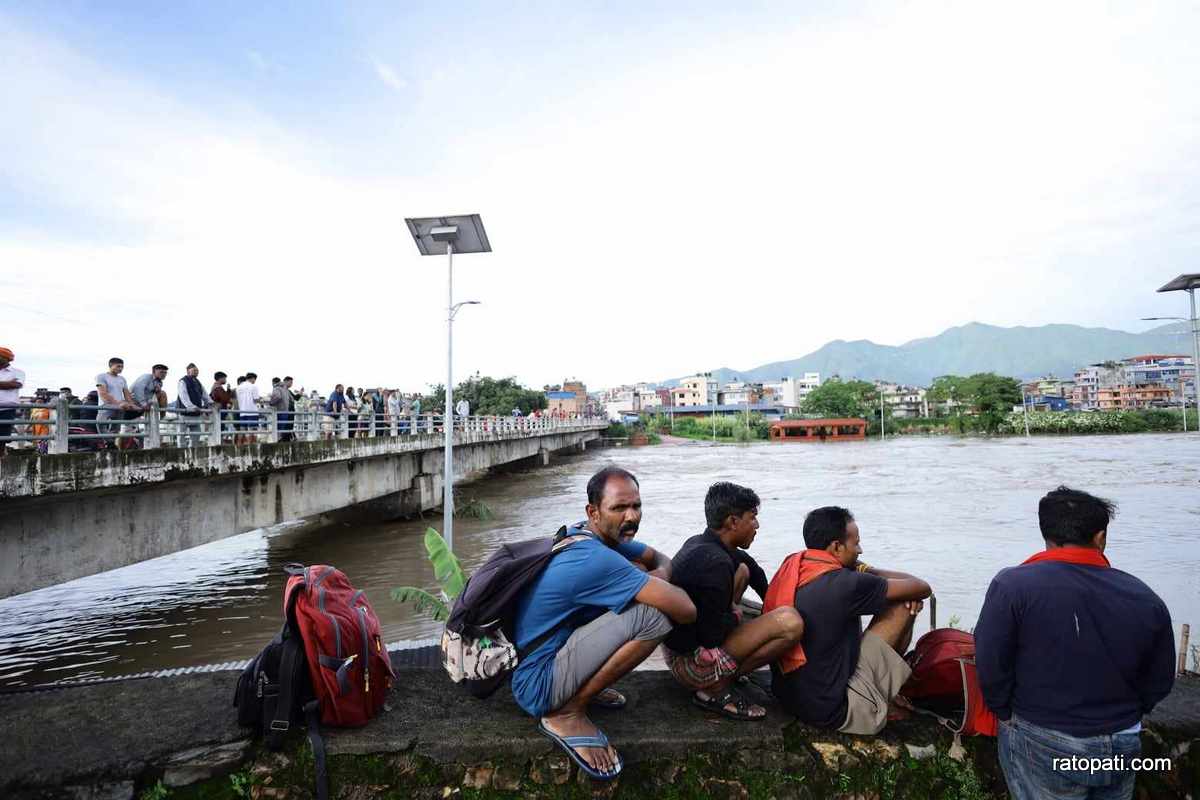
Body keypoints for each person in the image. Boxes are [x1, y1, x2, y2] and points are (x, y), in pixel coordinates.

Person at [975, 487, 1175, 800]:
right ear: (1100, 538)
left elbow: (990, 664)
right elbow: (1160, 680)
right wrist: (1123, 716)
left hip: (1043, 739)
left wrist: (1004, 712)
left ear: (1046, 534)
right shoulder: (1144, 597)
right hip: (1122, 742)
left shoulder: (1013, 585)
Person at [511, 466, 694, 780]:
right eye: (619, 508)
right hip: (537, 684)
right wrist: (653, 582)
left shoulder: (584, 533)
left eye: (636, 506)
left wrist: (650, 577)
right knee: (654, 616)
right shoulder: (597, 558)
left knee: (637, 581)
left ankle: (581, 688)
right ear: (593, 512)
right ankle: (567, 712)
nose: (632, 516)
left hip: (540, 660)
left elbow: (660, 558)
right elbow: (686, 610)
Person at [767, 505, 931, 736]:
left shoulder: (794, 566)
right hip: (835, 711)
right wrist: (866, 570)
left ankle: (884, 687)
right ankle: (878, 697)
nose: (860, 550)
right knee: (902, 604)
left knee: (896, 597)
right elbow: (921, 587)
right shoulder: (846, 583)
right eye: (856, 544)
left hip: (791, 698)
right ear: (836, 546)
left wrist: (858, 569)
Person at [663, 482, 805, 720]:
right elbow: (712, 636)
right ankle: (715, 689)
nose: (757, 525)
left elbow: (752, 570)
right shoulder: (715, 563)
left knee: (743, 572)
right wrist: (739, 616)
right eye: (753, 518)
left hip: (681, 647)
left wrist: (769, 605)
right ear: (732, 522)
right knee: (791, 623)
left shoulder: (702, 542)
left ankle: (720, 676)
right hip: (692, 664)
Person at [95, 357, 137, 447]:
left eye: (122, 367)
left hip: (120, 407)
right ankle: (108, 442)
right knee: (100, 423)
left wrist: (132, 404)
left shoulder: (122, 379)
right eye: (118, 366)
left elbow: (127, 394)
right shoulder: (101, 376)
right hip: (106, 405)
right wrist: (118, 403)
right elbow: (103, 393)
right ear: (111, 365)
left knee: (116, 427)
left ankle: (111, 444)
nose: (120, 369)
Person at [176, 363, 211, 447]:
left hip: (196, 414)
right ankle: (181, 455)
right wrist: (190, 406)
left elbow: (205, 395)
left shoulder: (198, 383)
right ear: (188, 371)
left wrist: (210, 402)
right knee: (181, 437)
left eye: (197, 370)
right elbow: (183, 395)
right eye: (194, 370)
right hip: (184, 413)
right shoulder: (183, 381)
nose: (196, 372)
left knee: (196, 436)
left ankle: (191, 454)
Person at [0, 347, 25, 456]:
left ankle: (1, 457)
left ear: (5, 358)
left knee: (2, 438)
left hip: (7, 409)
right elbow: (9, 385)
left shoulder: (18, 372)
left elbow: (15, 385)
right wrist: (7, 384)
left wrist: (10, 384)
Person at [235, 372, 261, 444]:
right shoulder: (253, 386)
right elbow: (256, 400)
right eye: (254, 379)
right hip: (252, 411)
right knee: (253, 430)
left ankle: (239, 445)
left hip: (242, 412)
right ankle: (252, 446)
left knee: (242, 429)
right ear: (253, 378)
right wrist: (261, 400)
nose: (254, 381)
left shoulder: (238, 388)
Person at [270, 376, 296, 441]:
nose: (291, 384)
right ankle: (281, 442)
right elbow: (292, 399)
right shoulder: (285, 389)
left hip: (279, 411)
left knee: (278, 429)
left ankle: (278, 442)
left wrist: (271, 403)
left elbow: (278, 397)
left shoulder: (277, 388)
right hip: (286, 411)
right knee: (282, 430)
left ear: (273, 383)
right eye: (291, 382)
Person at [211, 372, 234, 440]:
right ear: (220, 378)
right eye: (224, 378)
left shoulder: (217, 387)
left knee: (220, 427)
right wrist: (230, 400)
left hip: (219, 410)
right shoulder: (218, 387)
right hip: (219, 411)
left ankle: (219, 442)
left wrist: (228, 390)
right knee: (220, 428)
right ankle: (219, 443)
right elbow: (224, 399)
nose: (225, 380)